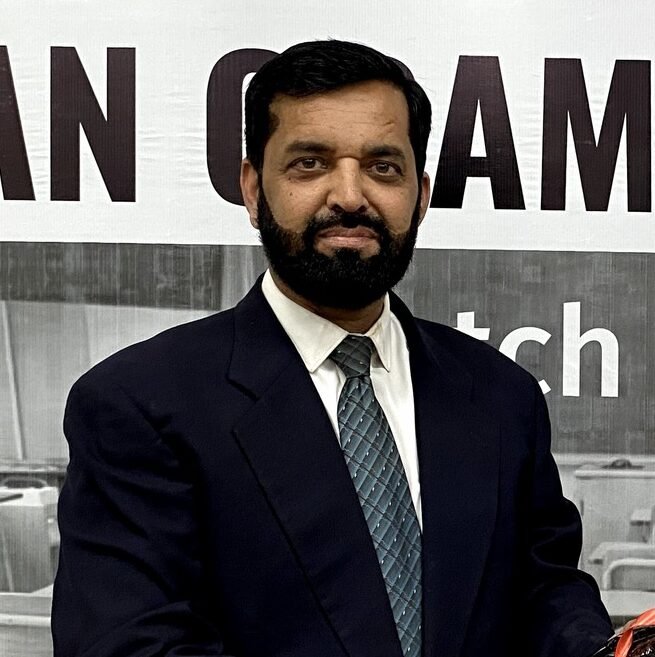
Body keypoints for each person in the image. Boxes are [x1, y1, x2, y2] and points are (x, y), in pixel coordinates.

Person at [52, 40, 613, 657]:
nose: (349, 195)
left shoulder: (501, 395)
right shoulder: (138, 404)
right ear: (252, 190)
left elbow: (544, 589)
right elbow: (133, 644)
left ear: (421, 195)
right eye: (310, 164)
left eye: (383, 167)